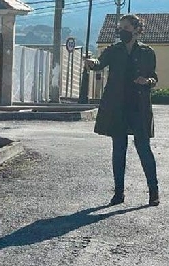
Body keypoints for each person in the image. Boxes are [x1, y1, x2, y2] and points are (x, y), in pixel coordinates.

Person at [85, 14, 159, 207]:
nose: (121, 31)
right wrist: (92, 63)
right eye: (120, 28)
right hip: (117, 106)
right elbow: (99, 65)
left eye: (125, 27)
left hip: (139, 106)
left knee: (144, 148)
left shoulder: (147, 52)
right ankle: (119, 193)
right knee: (119, 149)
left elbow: (153, 77)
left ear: (136, 29)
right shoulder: (114, 50)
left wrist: (147, 81)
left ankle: (153, 191)